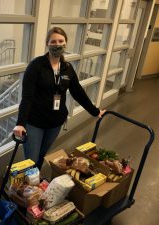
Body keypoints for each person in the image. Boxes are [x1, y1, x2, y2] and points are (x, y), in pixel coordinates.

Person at [13, 27, 106, 170]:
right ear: (48, 44)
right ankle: (29, 184)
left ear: (65, 44)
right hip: (35, 123)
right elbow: (27, 97)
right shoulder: (36, 66)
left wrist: (94, 111)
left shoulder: (67, 68)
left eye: (61, 41)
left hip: (55, 123)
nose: (57, 44)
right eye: (53, 41)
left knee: (41, 156)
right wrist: (20, 123)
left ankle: (33, 184)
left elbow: (78, 92)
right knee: (31, 160)